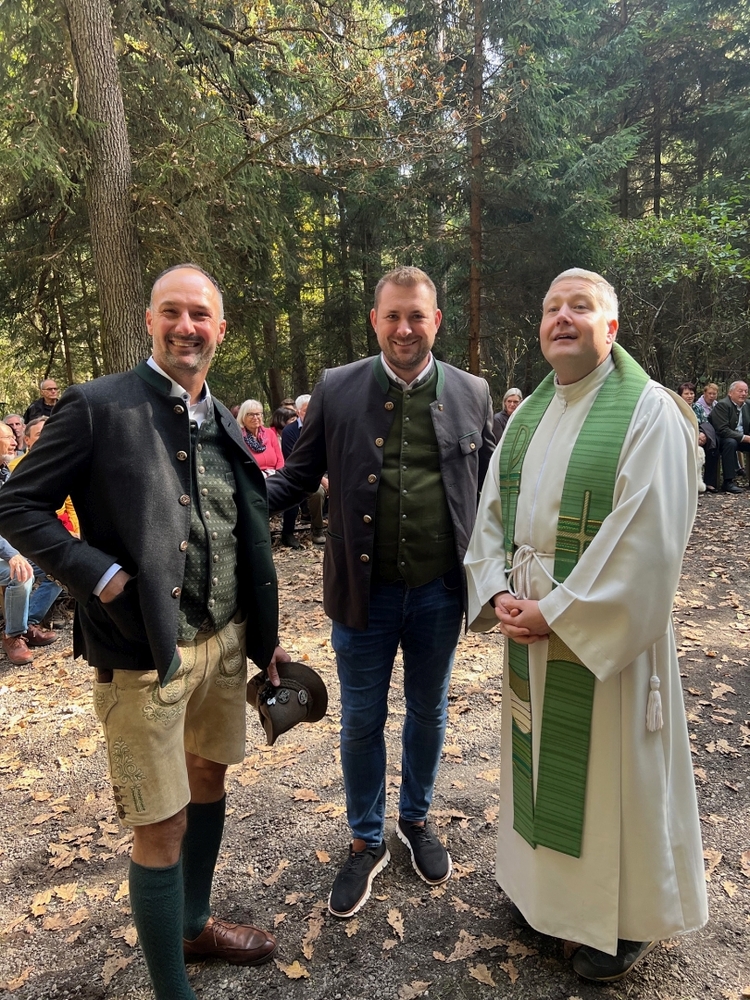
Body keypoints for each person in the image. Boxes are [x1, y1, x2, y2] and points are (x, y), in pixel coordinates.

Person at [0, 264, 288, 1000]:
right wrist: (97, 575)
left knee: (209, 778)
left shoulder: (225, 418)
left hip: (224, 642)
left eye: (201, 314)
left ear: (220, 329)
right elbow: (18, 504)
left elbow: (238, 530)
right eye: (172, 312)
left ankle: (193, 925)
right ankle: (171, 991)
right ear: (150, 320)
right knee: (159, 826)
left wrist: (263, 637)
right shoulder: (97, 406)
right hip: (140, 653)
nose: (187, 326)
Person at [464, 268, 707, 982]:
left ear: (612, 327)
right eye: (551, 308)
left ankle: (622, 922)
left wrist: (561, 612)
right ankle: (544, 900)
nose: (562, 318)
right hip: (529, 621)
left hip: (605, 639)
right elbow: (491, 516)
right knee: (536, 763)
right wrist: (497, 589)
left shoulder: (649, 411)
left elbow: (650, 538)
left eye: (580, 306)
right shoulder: (526, 418)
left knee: (613, 778)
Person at [267, 265, 495, 918]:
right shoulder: (337, 388)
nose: (404, 328)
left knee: (428, 711)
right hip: (360, 596)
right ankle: (366, 839)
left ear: (435, 321)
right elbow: (297, 477)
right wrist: (230, 503)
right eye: (392, 315)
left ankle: (415, 820)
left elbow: (497, 488)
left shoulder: (473, 392)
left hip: (439, 593)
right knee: (362, 719)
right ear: (375, 320)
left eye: (416, 316)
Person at [280, 394, 327, 548]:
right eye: (307, 410)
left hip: (323, 473)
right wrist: (322, 479)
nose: (312, 413)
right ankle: (317, 530)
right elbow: (293, 460)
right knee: (317, 492)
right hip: (299, 475)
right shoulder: (289, 431)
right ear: (298, 412)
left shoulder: (323, 427)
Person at [709, 381, 750, 494]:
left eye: (746, 391)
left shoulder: (747, 405)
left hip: (742, 437)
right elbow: (723, 430)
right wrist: (745, 438)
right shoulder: (723, 405)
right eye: (740, 391)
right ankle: (728, 482)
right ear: (730, 393)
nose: (743, 394)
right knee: (730, 443)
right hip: (722, 438)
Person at [236, 399, 285, 476]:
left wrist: (279, 476)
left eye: (258, 414)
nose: (255, 417)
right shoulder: (239, 437)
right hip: (253, 477)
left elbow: (280, 460)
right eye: (251, 414)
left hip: (275, 476)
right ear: (243, 417)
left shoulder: (270, 433)